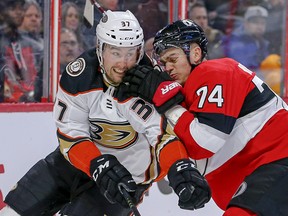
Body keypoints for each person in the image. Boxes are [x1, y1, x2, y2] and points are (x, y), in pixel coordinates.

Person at [0, 11, 211, 216]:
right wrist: (96, 163)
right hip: (78, 163)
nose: (123, 63)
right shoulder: (80, 76)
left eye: (130, 53)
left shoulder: (152, 84)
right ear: (100, 49)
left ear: (139, 51)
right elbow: (71, 133)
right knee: (12, 212)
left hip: (128, 177)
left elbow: (163, 137)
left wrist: (179, 166)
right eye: (115, 53)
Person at [121, 19, 288, 216]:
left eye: (173, 59)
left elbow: (205, 142)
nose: (167, 68)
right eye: (163, 63)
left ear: (195, 53)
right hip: (259, 174)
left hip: (277, 162)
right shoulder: (185, 94)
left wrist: (170, 105)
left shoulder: (214, 72)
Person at [0, 0, 42, 102]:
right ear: (1, 13)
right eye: (13, 9)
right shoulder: (3, 40)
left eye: (20, 8)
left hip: (23, 101)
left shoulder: (31, 44)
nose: (19, 12)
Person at [222, 5, 270, 74]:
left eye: (262, 23)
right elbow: (244, 69)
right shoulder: (235, 41)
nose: (260, 27)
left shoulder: (262, 43)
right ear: (246, 23)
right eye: (255, 22)